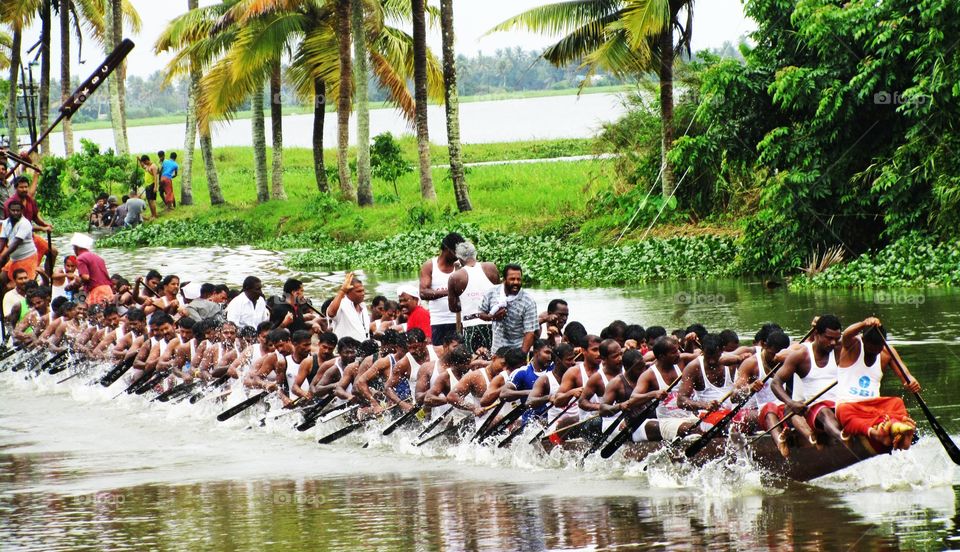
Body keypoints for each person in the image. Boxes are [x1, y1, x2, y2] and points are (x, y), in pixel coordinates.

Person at [835, 318, 920, 450]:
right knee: (843, 411)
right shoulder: (852, 345)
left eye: (878, 349)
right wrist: (863, 324)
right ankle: (877, 433)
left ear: (883, 344)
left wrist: (911, 382)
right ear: (863, 340)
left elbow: (906, 376)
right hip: (850, 405)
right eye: (870, 350)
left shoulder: (887, 351)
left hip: (874, 405)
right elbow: (846, 334)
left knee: (897, 402)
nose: (874, 353)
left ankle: (902, 430)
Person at [771, 314, 845, 445]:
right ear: (816, 333)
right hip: (815, 410)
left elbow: (860, 339)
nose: (833, 343)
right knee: (824, 412)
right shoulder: (801, 355)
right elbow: (776, 383)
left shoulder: (841, 349)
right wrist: (791, 402)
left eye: (836, 338)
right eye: (829, 338)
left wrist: (867, 325)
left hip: (841, 405)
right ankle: (842, 440)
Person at [447, 241, 499, 356]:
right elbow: (498, 296)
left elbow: (454, 307)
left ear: (459, 259)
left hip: (471, 326)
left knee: (472, 361)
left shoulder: (455, 276)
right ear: (475, 254)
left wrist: (466, 302)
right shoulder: (491, 268)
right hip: (492, 324)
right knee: (493, 358)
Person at [477, 264, 538, 353]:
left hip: (517, 350)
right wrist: (493, 317)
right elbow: (481, 313)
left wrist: (522, 356)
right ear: (504, 280)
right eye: (512, 279)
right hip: (497, 351)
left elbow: (530, 333)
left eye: (519, 279)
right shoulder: (492, 293)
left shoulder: (528, 301)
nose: (516, 282)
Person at [419, 232, 465, 346]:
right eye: (457, 253)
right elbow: (423, 293)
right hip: (439, 322)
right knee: (441, 357)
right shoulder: (430, 266)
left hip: (460, 321)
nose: (459, 256)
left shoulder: (462, 266)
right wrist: (450, 291)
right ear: (447, 250)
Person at [67, 233, 113, 306]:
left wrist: (75, 282)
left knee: (95, 315)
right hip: (108, 289)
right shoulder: (98, 258)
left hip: (97, 292)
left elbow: (86, 277)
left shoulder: (80, 258)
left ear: (76, 247)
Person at [0, 200, 40, 280]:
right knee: (2, 279)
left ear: (21, 211)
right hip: (14, 259)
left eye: (17, 211)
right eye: (13, 210)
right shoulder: (6, 223)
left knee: (23, 284)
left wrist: (2, 257)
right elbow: (2, 241)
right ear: (9, 211)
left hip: (27, 258)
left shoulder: (25, 223)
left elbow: (15, 243)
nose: (15, 213)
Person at [326, 272, 369, 341]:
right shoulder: (341, 304)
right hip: (345, 349)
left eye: (363, 291)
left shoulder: (363, 306)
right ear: (347, 292)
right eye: (359, 291)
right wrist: (342, 290)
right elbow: (331, 313)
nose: (363, 294)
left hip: (362, 348)